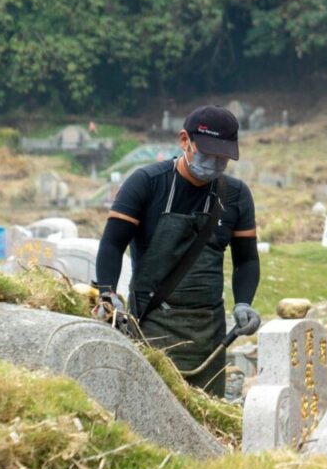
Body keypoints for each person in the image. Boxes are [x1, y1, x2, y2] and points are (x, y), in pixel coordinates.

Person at [93, 105, 262, 395]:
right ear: (185, 141)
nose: (215, 163)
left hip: (209, 331)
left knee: (208, 415)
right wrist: (108, 294)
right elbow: (112, 243)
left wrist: (244, 302)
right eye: (208, 154)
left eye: (223, 157)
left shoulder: (235, 195)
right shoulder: (147, 183)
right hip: (152, 322)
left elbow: (246, 259)